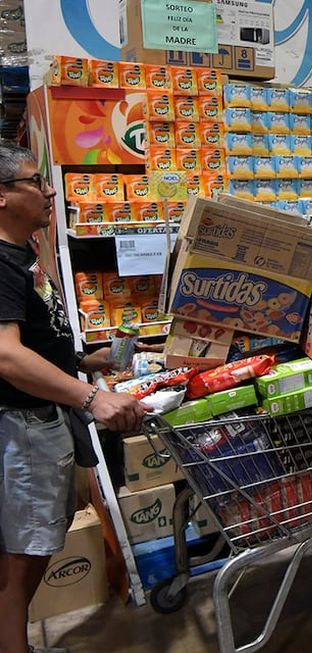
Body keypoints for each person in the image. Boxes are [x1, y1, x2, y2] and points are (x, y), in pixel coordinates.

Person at [0, 141, 147, 653]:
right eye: (33, 182)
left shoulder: (23, 256)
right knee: (21, 560)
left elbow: (37, 344)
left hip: (41, 422)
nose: (49, 190)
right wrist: (90, 398)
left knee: (30, 553)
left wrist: (88, 361)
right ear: (0, 197)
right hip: (21, 428)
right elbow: (6, 357)